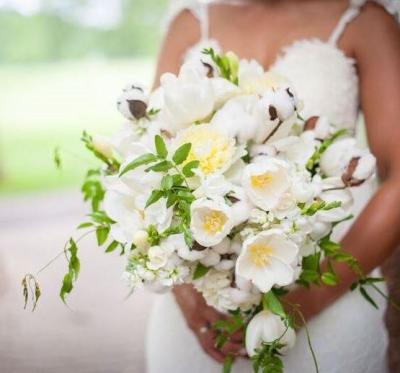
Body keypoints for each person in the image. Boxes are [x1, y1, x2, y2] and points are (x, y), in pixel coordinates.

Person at [147, 1, 400, 372]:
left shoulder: (364, 20)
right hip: (200, 311)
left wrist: (306, 303)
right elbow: (151, 162)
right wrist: (184, 290)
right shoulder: (189, 22)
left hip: (330, 296)